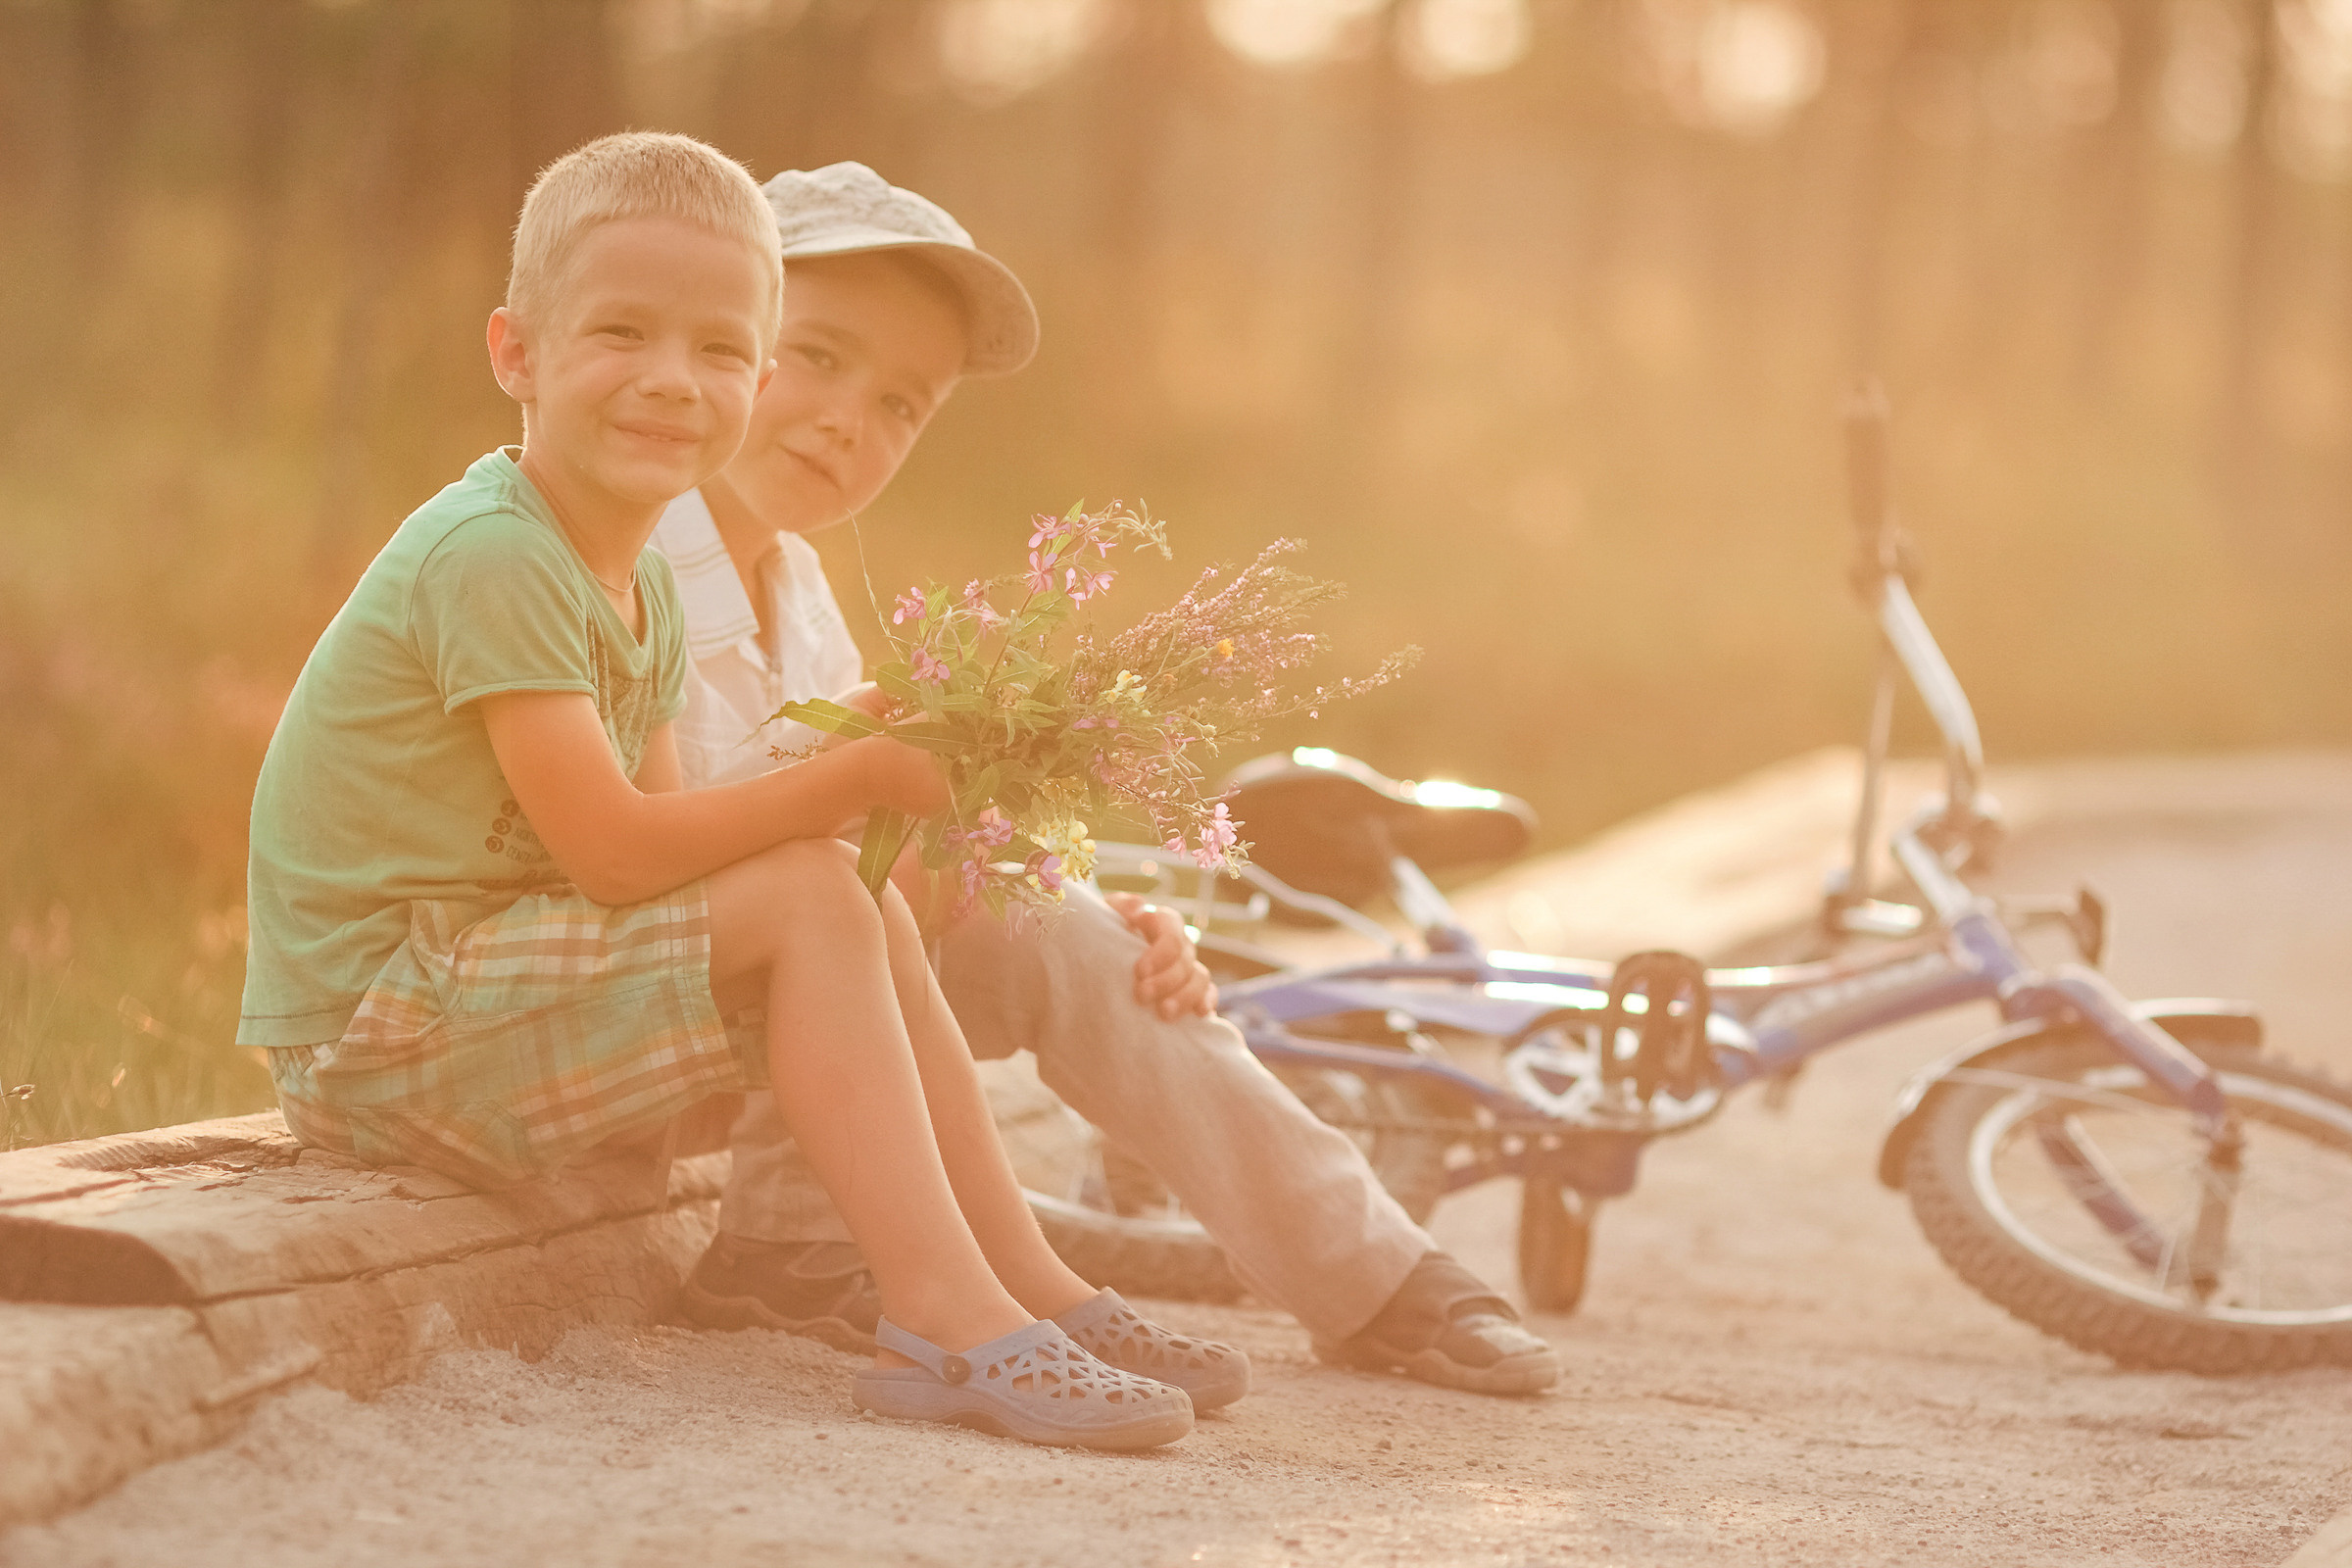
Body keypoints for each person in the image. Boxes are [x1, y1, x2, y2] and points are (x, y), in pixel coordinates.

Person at [238, 131, 1210, 1451]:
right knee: (820, 889)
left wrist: (862, 752)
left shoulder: (631, 576)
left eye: (716, 352)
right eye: (621, 334)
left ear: (751, 384)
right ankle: (953, 1315)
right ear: (517, 352)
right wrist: (852, 777)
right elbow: (620, 860)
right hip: (372, 1039)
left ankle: (1021, 1279)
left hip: (473, 998)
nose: (670, 381)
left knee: (849, 895)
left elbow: (686, 842)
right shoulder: (497, 557)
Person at [655, 161, 1562, 1398]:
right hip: (628, 1000)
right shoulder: (625, 555)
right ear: (725, 335)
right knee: (892, 894)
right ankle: (799, 1241)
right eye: (813, 357)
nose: (845, 418)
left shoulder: (797, 594)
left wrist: (1076, 892)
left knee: (1072, 930)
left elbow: (875, 822)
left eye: (902, 403)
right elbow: (674, 842)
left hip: (791, 982)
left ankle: (1372, 1276)